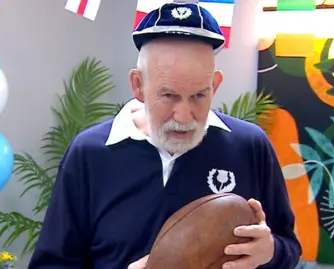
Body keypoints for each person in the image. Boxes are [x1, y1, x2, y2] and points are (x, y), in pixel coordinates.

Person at [28, 2, 302, 269]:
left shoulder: (250, 146)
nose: (184, 116)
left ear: (215, 85)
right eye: (169, 95)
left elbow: (289, 247)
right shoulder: (89, 152)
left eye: (198, 95)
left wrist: (271, 252)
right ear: (138, 85)